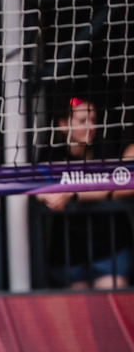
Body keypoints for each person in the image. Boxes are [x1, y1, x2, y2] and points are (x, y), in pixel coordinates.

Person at [37, 96, 134, 289]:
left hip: (110, 249)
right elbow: (37, 188)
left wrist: (71, 193)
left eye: (93, 121)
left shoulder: (106, 150)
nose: (90, 126)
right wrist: (49, 194)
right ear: (64, 125)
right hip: (68, 253)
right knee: (79, 312)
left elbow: (122, 184)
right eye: (82, 121)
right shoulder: (52, 155)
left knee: (110, 306)